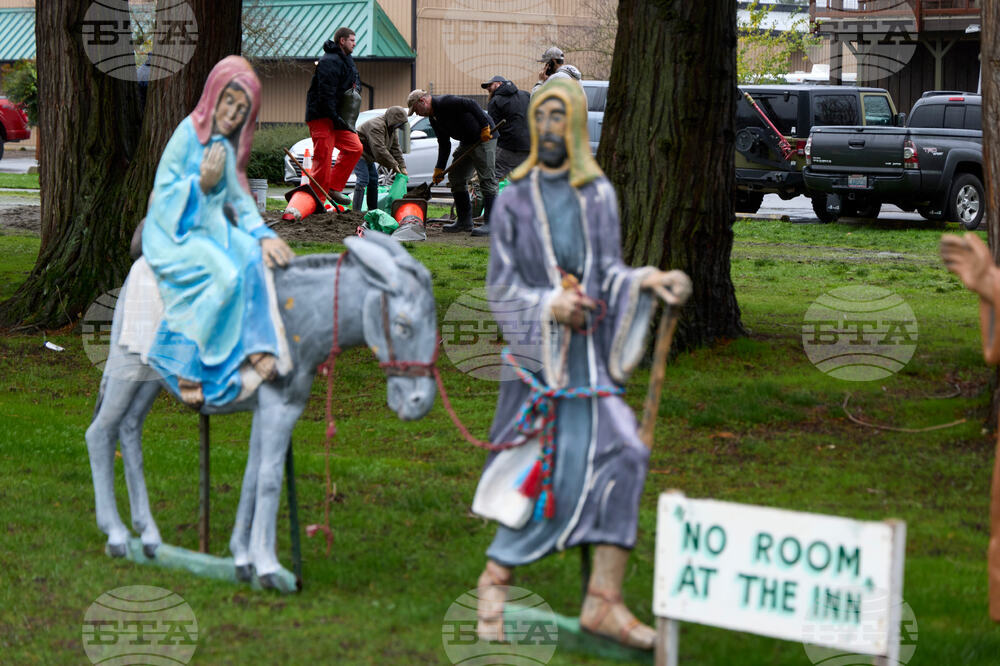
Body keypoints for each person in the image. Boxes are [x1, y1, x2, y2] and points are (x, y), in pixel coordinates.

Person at [471, 78, 691, 651]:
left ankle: (603, 600)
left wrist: (646, 281)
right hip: (540, 370)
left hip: (589, 366)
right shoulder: (514, 199)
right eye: (539, 116)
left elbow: (608, 275)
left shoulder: (599, 196)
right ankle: (495, 580)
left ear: (573, 126)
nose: (547, 127)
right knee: (542, 475)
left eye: (557, 117)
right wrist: (549, 306)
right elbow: (500, 288)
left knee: (626, 452)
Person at [142, 56, 295, 408]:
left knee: (254, 258)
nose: (233, 114)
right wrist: (200, 184)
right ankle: (187, 361)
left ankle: (256, 345)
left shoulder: (224, 147)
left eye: (242, 110)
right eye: (230, 102)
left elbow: (240, 202)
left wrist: (265, 235)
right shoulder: (185, 136)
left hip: (212, 229)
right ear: (214, 96)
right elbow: (163, 196)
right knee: (225, 276)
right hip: (175, 234)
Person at [282, 26, 363, 221]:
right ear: (342, 41)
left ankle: (333, 188)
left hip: (337, 118)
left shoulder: (347, 60)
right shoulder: (329, 61)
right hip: (321, 116)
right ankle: (317, 199)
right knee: (323, 156)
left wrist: (355, 90)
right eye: (352, 40)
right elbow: (326, 92)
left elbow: (355, 82)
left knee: (355, 148)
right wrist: (335, 116)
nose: (355, 43)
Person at [407, 89, 497, 236]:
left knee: (486, 178)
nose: (417, 114)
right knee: (456, 177)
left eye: (416, 110)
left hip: (484, 137)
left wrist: (485, 126)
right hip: (467, 141)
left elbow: (471, 104)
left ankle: (491, 224)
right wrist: (439, 168)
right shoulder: (433, 118)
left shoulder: (445, 102)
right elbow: (444, 143)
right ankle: (464, 221)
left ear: (422, 101)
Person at [352, 106, 408, 211]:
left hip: (367, 156)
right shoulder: (376, 126)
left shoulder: (391, 129)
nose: (398, 126)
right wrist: (394, 165)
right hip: (357, 153)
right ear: (392, 119)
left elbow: (395, 149)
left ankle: (373, 210)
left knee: (373, 181)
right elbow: (379, 150)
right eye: (398, 123)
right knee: (363, 179)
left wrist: (402, 167)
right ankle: (356, 211)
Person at [481, 75, 530, 181]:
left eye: (490, 85)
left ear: (499, 83)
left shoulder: (495, 101)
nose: (488, 89)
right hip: (528, 146)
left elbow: (493, 127)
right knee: (524, 179)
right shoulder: (526, 95)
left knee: (495, 177)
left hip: (507, 146)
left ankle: (493, 198)